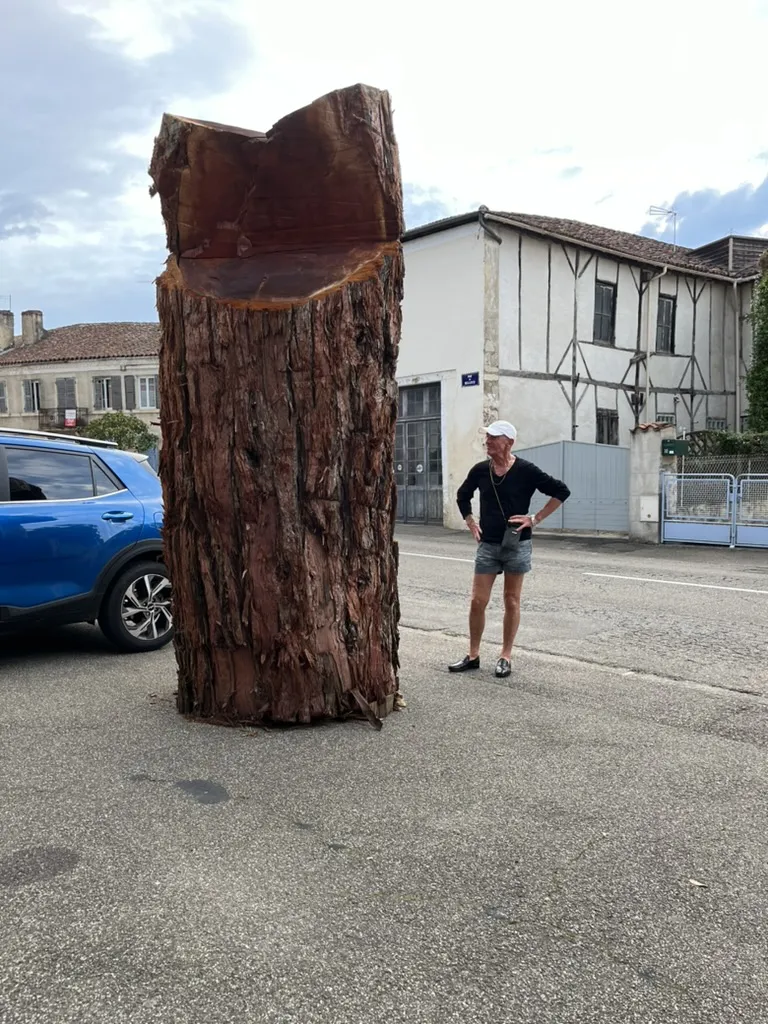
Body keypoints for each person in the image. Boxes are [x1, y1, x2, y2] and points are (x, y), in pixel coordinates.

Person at [448, 420, 570, 679]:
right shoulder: (481, 470)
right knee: (477, 601)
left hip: (517, 543)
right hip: (488, 544)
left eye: (494, 437)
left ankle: (505, 656)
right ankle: (472, 655)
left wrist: (534, 519)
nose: (488, 441)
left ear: (509, 442)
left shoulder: (526, 470)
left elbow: (561, 491)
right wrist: (470, 522)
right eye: (487, 437)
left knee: (511, 600)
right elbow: (463, 495)